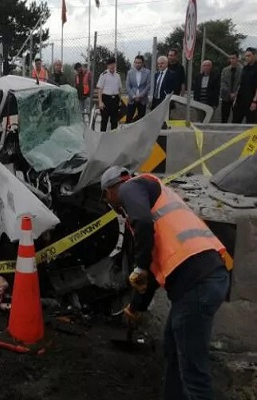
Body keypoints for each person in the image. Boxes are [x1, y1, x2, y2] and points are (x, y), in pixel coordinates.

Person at [100, 165, 231, 400]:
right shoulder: (150, 202)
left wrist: (139, 266)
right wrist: (136, 308)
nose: (111, 204)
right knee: (172, 345)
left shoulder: (131, 187)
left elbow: (142, 225)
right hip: (203, 280)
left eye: (107, 197)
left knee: (194, 374)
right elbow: (148, 276)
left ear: (112, 189)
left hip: (198, 284)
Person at [96, 58, 122, 131]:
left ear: (115, 65)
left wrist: (120, 100)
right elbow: (100, 90)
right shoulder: (103, 75)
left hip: (115, 100)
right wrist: (100, 102)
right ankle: (102, 138)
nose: (112, 67)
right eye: (110, 65)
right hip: (106, 100)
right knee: (104, 121)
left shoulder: (118, 75)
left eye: (113, 65)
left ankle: (113, 139)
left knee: (114, 121)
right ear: (107, 66)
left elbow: (119, 89)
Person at [232, 47, 257, 124]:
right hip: (241, 100)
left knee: (250, 123)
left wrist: (255, 101)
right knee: (235, 122)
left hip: (251, 100)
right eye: (246, 56)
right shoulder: (245, 68)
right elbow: (241, 83)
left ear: (254, 56)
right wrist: (236, 97)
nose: (247, 57)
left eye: (249, 55)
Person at [125, 55, 151, 123]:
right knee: (128, 118)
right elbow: (127, 86)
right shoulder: (130, 72)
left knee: (141, 118)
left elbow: (148, 86)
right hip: (132, 99)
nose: (137, 64)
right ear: (134, 63)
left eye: (139, 63)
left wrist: (140, 96)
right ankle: (128, 132)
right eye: (136, 62)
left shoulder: (148, 72)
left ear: (142, 63)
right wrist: (134, 96)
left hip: (142, 99)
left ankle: (137, 131)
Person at [220, 52, 243, 123]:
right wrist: (229, 93)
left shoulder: (242, 70)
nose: (231, 60)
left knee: (236, 118)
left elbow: (241, 83)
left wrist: (235, 93)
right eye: (230, 58)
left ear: (237, 59)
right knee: (224, 117)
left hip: (238, 98)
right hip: (226, 96)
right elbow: (223, 82)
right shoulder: (225, 70)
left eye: (233, 58)